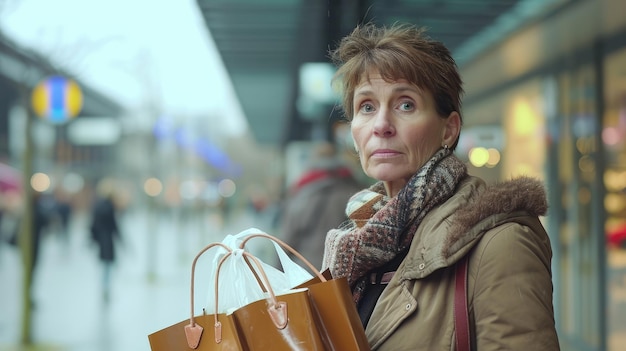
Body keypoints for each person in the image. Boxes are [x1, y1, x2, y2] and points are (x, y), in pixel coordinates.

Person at [321, 23, 560, 350]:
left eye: (405, 104)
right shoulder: (359, 240)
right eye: (367, 106)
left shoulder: (499, 244)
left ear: (449, 130)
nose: (381, 125)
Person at [280, 142, 362, 268]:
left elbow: (287, 241)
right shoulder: (354, 191)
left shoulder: (302, 194)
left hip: (307, 269)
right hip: (343, 269)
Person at [89, 180, 121, 303]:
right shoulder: (109, 206)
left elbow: (93, 225)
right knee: (107, 266)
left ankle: (104, 287)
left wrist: (94, 239)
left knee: (105, 266)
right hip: (107, 240)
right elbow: (114, 225)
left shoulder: (97, 205)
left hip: (102, 241)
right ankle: (105, 288)